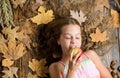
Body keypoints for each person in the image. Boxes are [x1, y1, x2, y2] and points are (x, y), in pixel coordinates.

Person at [43, 17, 112, 78]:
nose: (73, 41)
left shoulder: (91, 55)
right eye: (68, 37)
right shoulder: (56, 67)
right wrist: (71, 71)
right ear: (58, 40)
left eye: (77, 37)